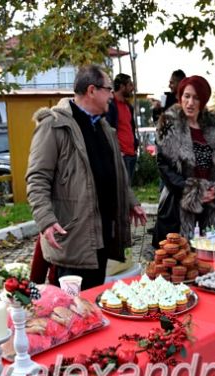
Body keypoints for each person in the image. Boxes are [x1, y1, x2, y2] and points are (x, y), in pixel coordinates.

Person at [27, 65, 146, 290]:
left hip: (101, 236)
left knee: (92, 302)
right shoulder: (53, 125)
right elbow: (37, 178)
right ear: (92, 90)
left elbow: (117, 172)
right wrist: (46, 220)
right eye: (108, 89)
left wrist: (131, 202)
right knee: (71, 309)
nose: (112, 95)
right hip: (73, 237)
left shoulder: (104, 128)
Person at [153, 75, 215, 243]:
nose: (190, 102)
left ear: (203, 101)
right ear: (180, 97)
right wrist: (192, 191)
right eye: (186, 96)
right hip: (178, 203)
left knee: (209, 256)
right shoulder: (168, 126)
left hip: (209, 206)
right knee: (179, 261)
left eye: (196, 98)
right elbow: (164, 167)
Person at [106, 73, 139, 181]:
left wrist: (135, 146)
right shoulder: (110, 105)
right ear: (121, 86)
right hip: (120, 156)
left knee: (128, 190)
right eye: (130, 85)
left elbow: (130, 128)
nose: (132, 88)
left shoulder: (128, 106)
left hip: (131, 154)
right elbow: (108, 129)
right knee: (120, 191)